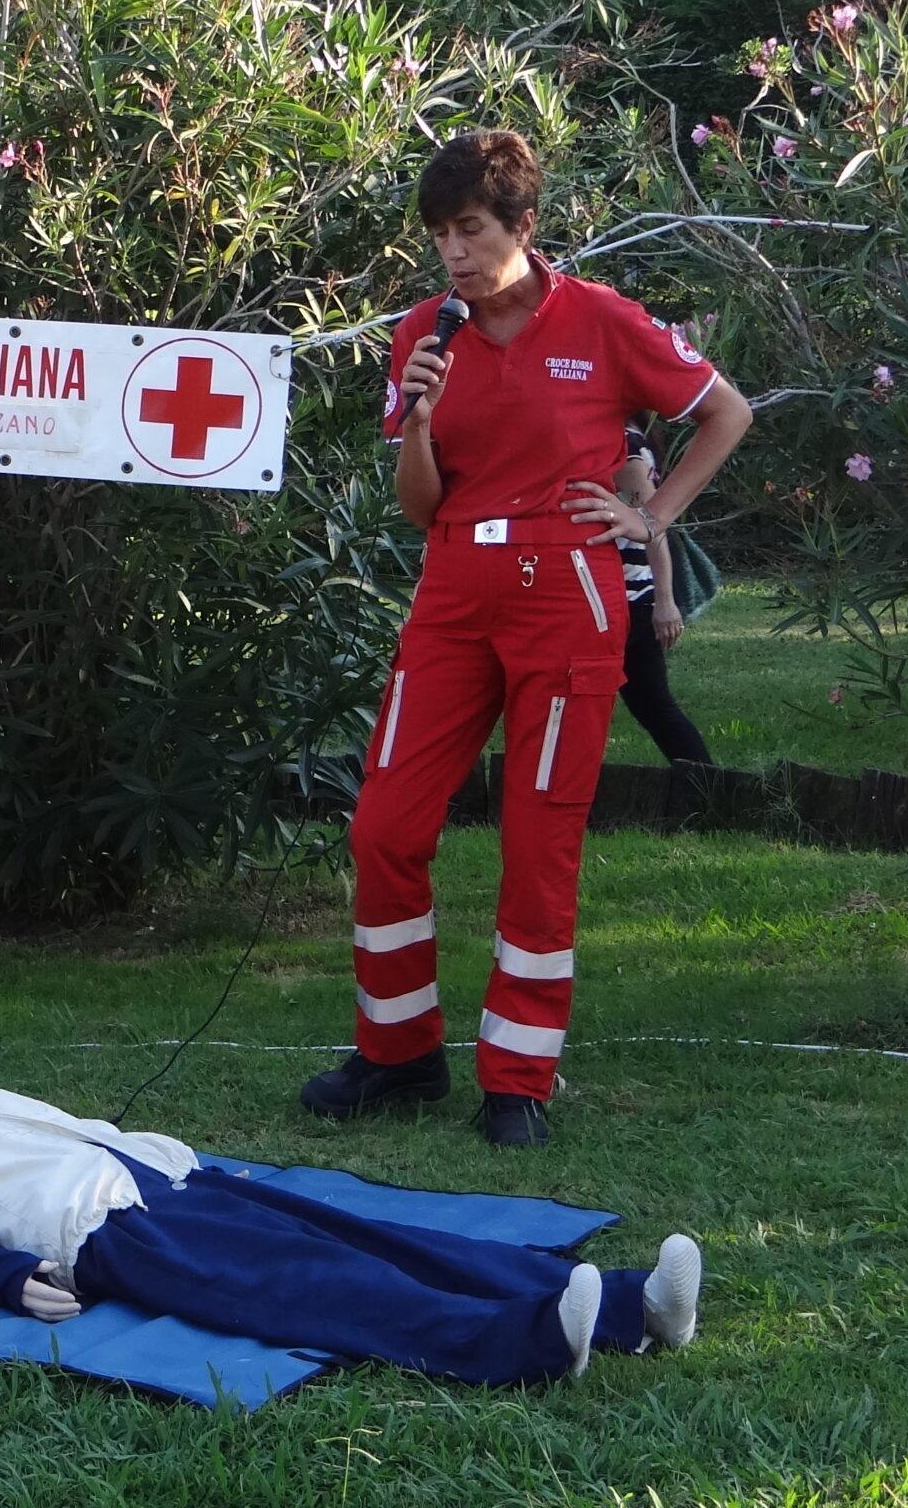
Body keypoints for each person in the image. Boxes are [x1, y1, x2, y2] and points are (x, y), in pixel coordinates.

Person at [300, 132, 752, 1147]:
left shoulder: (597, 320)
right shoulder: (424, 332)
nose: (452, 254)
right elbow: (420, 508)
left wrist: (652, 515)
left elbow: (726, 410)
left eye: (470, 230)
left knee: (537, 841)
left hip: (568, 594)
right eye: (439, 235)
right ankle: (398, 1054)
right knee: (384, 825)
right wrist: (415, 419)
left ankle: (517, 1078)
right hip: (454, 584)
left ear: (522, 227)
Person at [0, 1083, 704, 1387]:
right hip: (104, 1231)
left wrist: (172, 1158)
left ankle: (626, 1305)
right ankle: (527, 1342)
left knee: (371, 1238)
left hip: (154, 1183)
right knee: (320, 1286)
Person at [614, 419, 714, 788]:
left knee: (654, 707)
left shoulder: (624, 446)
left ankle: (706, 789)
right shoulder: (631, 437)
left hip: (629, 598)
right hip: (627, 596)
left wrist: (665, 602)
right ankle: (706, 788)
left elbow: (653, 526)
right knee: (653, 706)